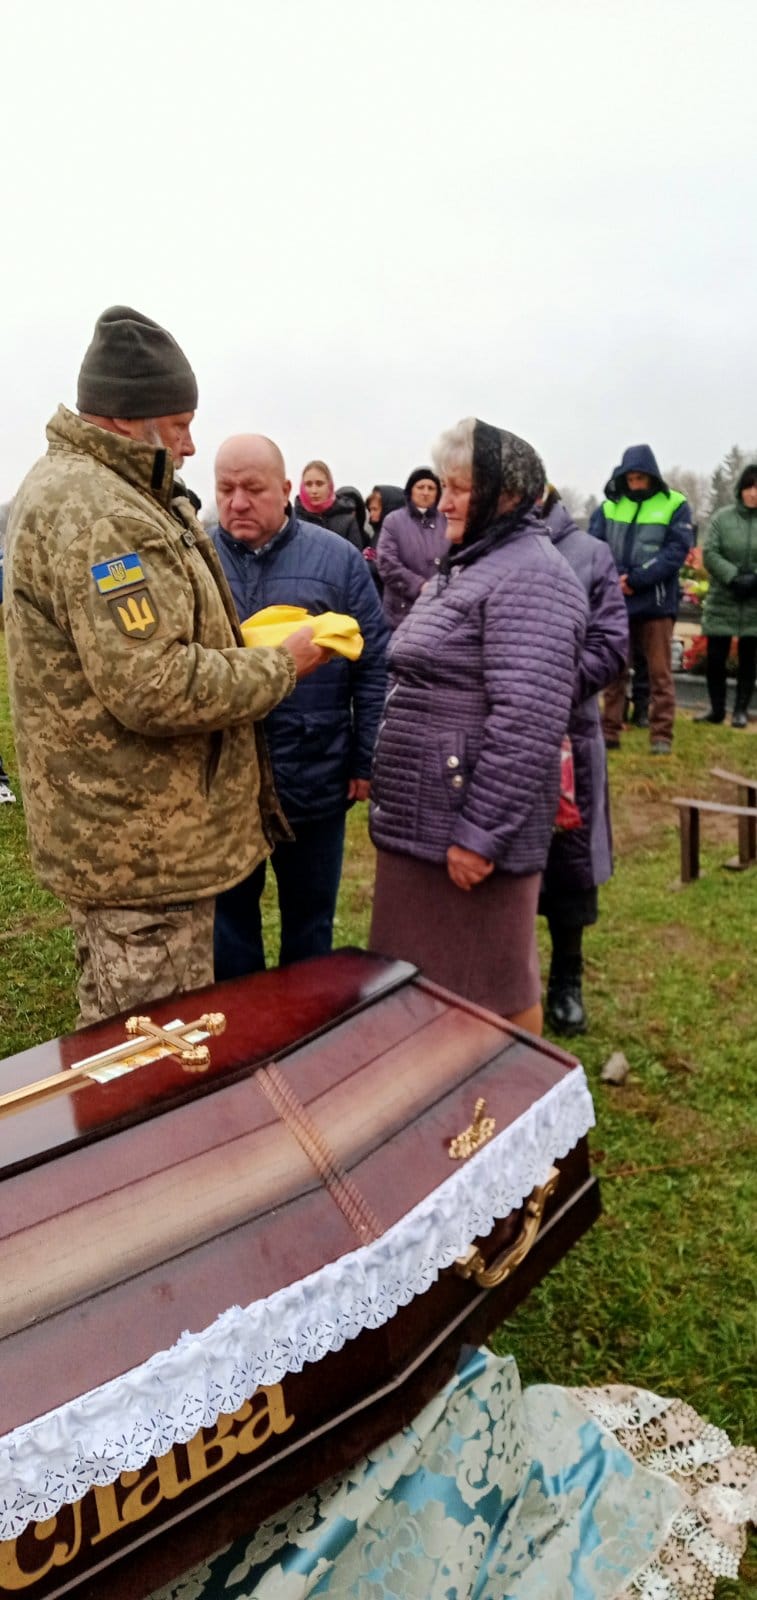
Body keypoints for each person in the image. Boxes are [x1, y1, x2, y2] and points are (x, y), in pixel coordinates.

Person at [3, 306, 327, 1026]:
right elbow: (152, 685)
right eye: (178, 421)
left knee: (145, 1045)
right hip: (139, 854)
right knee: (149, 1061)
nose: (188, 442)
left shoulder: (107, 491)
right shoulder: (102, 514)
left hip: (136, 839)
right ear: (126, 417)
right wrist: (278, 666)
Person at [369, 418, 587, 1036]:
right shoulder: (473, 563)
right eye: (444, 484)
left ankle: (517, 1116)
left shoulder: (532, 576)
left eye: (461, 486)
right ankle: (453, 1112)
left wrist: (482, 835)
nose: (446, 499)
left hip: (464, 832)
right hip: (427, 823)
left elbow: (529, 721)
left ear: (506, 493)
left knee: (496, 990)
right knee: (432, 991)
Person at [211, 434, 388, 976]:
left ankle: (306, 1039)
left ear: (285, 490)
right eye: (225, 489)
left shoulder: (336, 561)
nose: (237, 502)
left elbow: (374, 663)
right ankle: (245, 1034)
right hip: (224, 781)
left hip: (315, 774)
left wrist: (364, 760)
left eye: (253, 489)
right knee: (228, 926)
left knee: (310, 924)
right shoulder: (194, 561)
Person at [538, 487, 628, 1034]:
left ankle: (566, 978)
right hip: (498, 734)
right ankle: (507, 979)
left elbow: (612, 645)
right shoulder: (477, 548)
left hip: (567, 731)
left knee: (569, 863)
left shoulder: (589, 553)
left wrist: (545, 684)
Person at [593, 445, 693, 755]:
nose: (636, 484)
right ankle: (609, 731)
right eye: (631, 478)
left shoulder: (675, 505)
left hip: (656, 604)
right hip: (617, 600)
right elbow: (595, 546)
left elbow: (676, 552)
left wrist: (637, 579)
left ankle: (661, 734)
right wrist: (618, 577)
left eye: (641, 478)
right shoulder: (608, 507)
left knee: (660, 673)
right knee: (614, 672)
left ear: (652, 477)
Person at [697, 463, 757, 726]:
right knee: (716, 657)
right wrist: (732, 577)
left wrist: (754, 579)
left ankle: (740, 711)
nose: (754, 493)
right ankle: (717, 709)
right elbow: (710, 552)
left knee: (749, 658)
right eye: (749, 486)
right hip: (724, 596)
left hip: (754, 600)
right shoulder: (722, 518)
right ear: (741, 489)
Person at [376, 466, 448, 629]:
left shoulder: (448, 521)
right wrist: (419, 585)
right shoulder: (393, 521)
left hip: (439, 609)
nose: (425, 492)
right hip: (401, 613)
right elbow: (386, 562)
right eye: (420, 487)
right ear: (411, 491)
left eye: (431, 488)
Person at [295, 460, 366, 552]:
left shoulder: (347, 520)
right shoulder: (293, 519)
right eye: (308, 484)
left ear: (329, 486)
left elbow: (355, 559)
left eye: (319, 484)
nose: (314, 490)